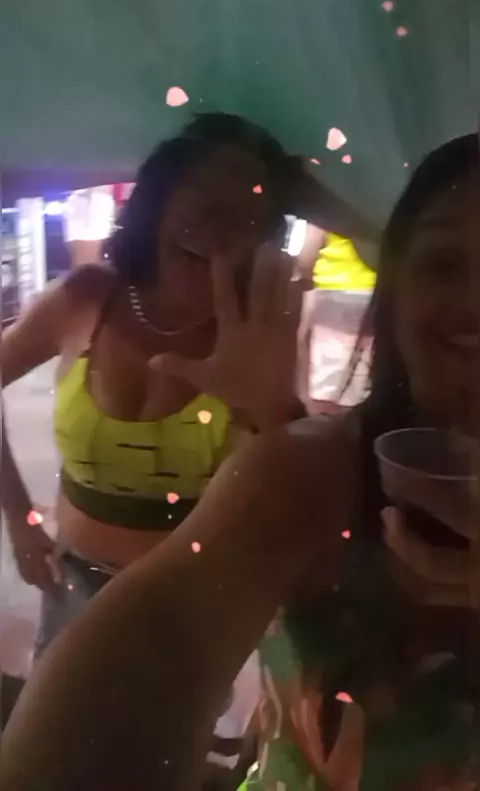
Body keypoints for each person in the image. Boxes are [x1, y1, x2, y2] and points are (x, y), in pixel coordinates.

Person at [4, 133, 476, 791]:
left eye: (247, 213)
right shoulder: (89, 297)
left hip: (221, 598)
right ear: (158, 201)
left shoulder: (260, 339)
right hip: (73, 577)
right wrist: (20, 520)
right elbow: (175, 622)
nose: (218, 227)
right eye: (445, 262)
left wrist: (273, 406)